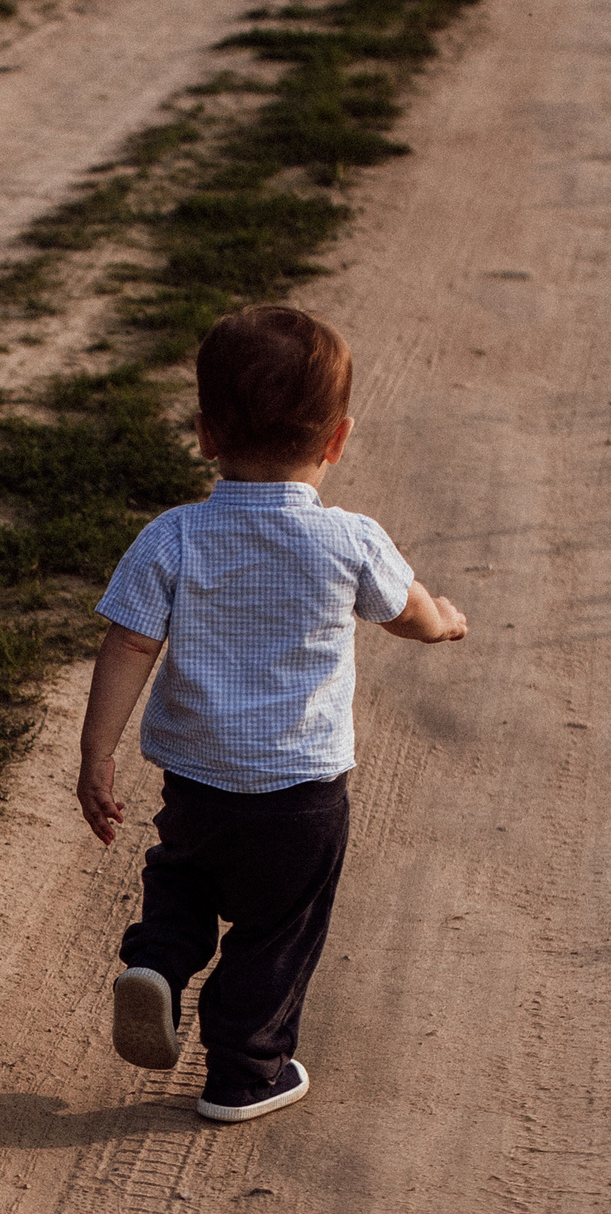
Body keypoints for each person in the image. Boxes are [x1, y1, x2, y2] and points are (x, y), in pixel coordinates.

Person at [75, 305, 467, 1123]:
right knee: (277, 928)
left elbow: (129, 646)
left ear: (206, 433)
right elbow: (408, 611)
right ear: (337, 439)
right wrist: (446, 620)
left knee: (183, 874)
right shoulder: (348, 539)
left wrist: (97, 753)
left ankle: (156, 963)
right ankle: (245, 1074)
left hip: (198, 780)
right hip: (301, 793)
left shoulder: (173, 536)